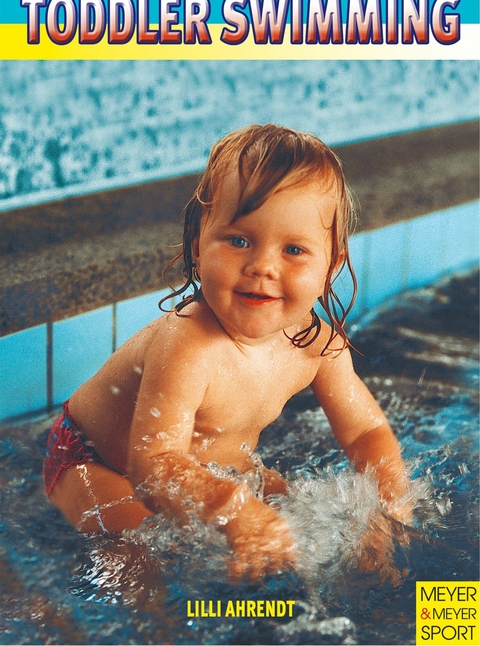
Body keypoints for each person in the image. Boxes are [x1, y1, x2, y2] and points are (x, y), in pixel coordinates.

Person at [44, 124, 410, 580]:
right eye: (239, 241)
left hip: (214, 468)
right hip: (92, 460)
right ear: (199, 247)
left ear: (330, 264)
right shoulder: (189, 342)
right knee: (140, 563)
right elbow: (152, 466)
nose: (262, 267)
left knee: (302, 527)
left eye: (294, 250)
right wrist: (235, 510)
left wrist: (390, 511)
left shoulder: (317, 345)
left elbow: (365, 433)